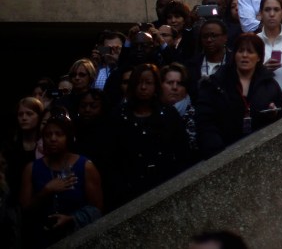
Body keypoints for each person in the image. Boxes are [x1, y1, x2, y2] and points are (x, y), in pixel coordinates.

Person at [106, 64, 189, 206]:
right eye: (139, 82)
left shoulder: (169, 114)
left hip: (165, 185)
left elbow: (182, 151)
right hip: (129, 191)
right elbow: (110, 157)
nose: (143, 87)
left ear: (156, 85)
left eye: (148, 83)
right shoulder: (118, 116)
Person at [196, 34, 282, 158]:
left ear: (259, 57)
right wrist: (217, 153)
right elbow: (205, 120)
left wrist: (273, 112)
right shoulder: (215, 83)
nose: (244, 55)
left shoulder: (269, 84)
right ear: (235, 55)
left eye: (250, 52)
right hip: (223, 152)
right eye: (240, 51)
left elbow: (281, 111)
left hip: (260, 151)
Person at [20, 114, 102, 246]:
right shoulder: (31, 168)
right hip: (41, 240)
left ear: (68, 137)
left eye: (59, 134)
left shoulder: (85, 166)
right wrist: (47, 191)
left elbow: (97, 209)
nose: (53, 139)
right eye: (48, 135)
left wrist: (72, 219)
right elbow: (25, 210)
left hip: (78, 239)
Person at [4, 98, 43, 199]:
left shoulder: (45, 146)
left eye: (29, 114)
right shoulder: (9, 146)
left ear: (39, 117)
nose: (24, 118)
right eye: (20, 114)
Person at [161, 63, 198, 153]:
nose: (174, 87)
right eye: (170, 83)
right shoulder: (153, 112)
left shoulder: (195, 116)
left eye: (179, 84)